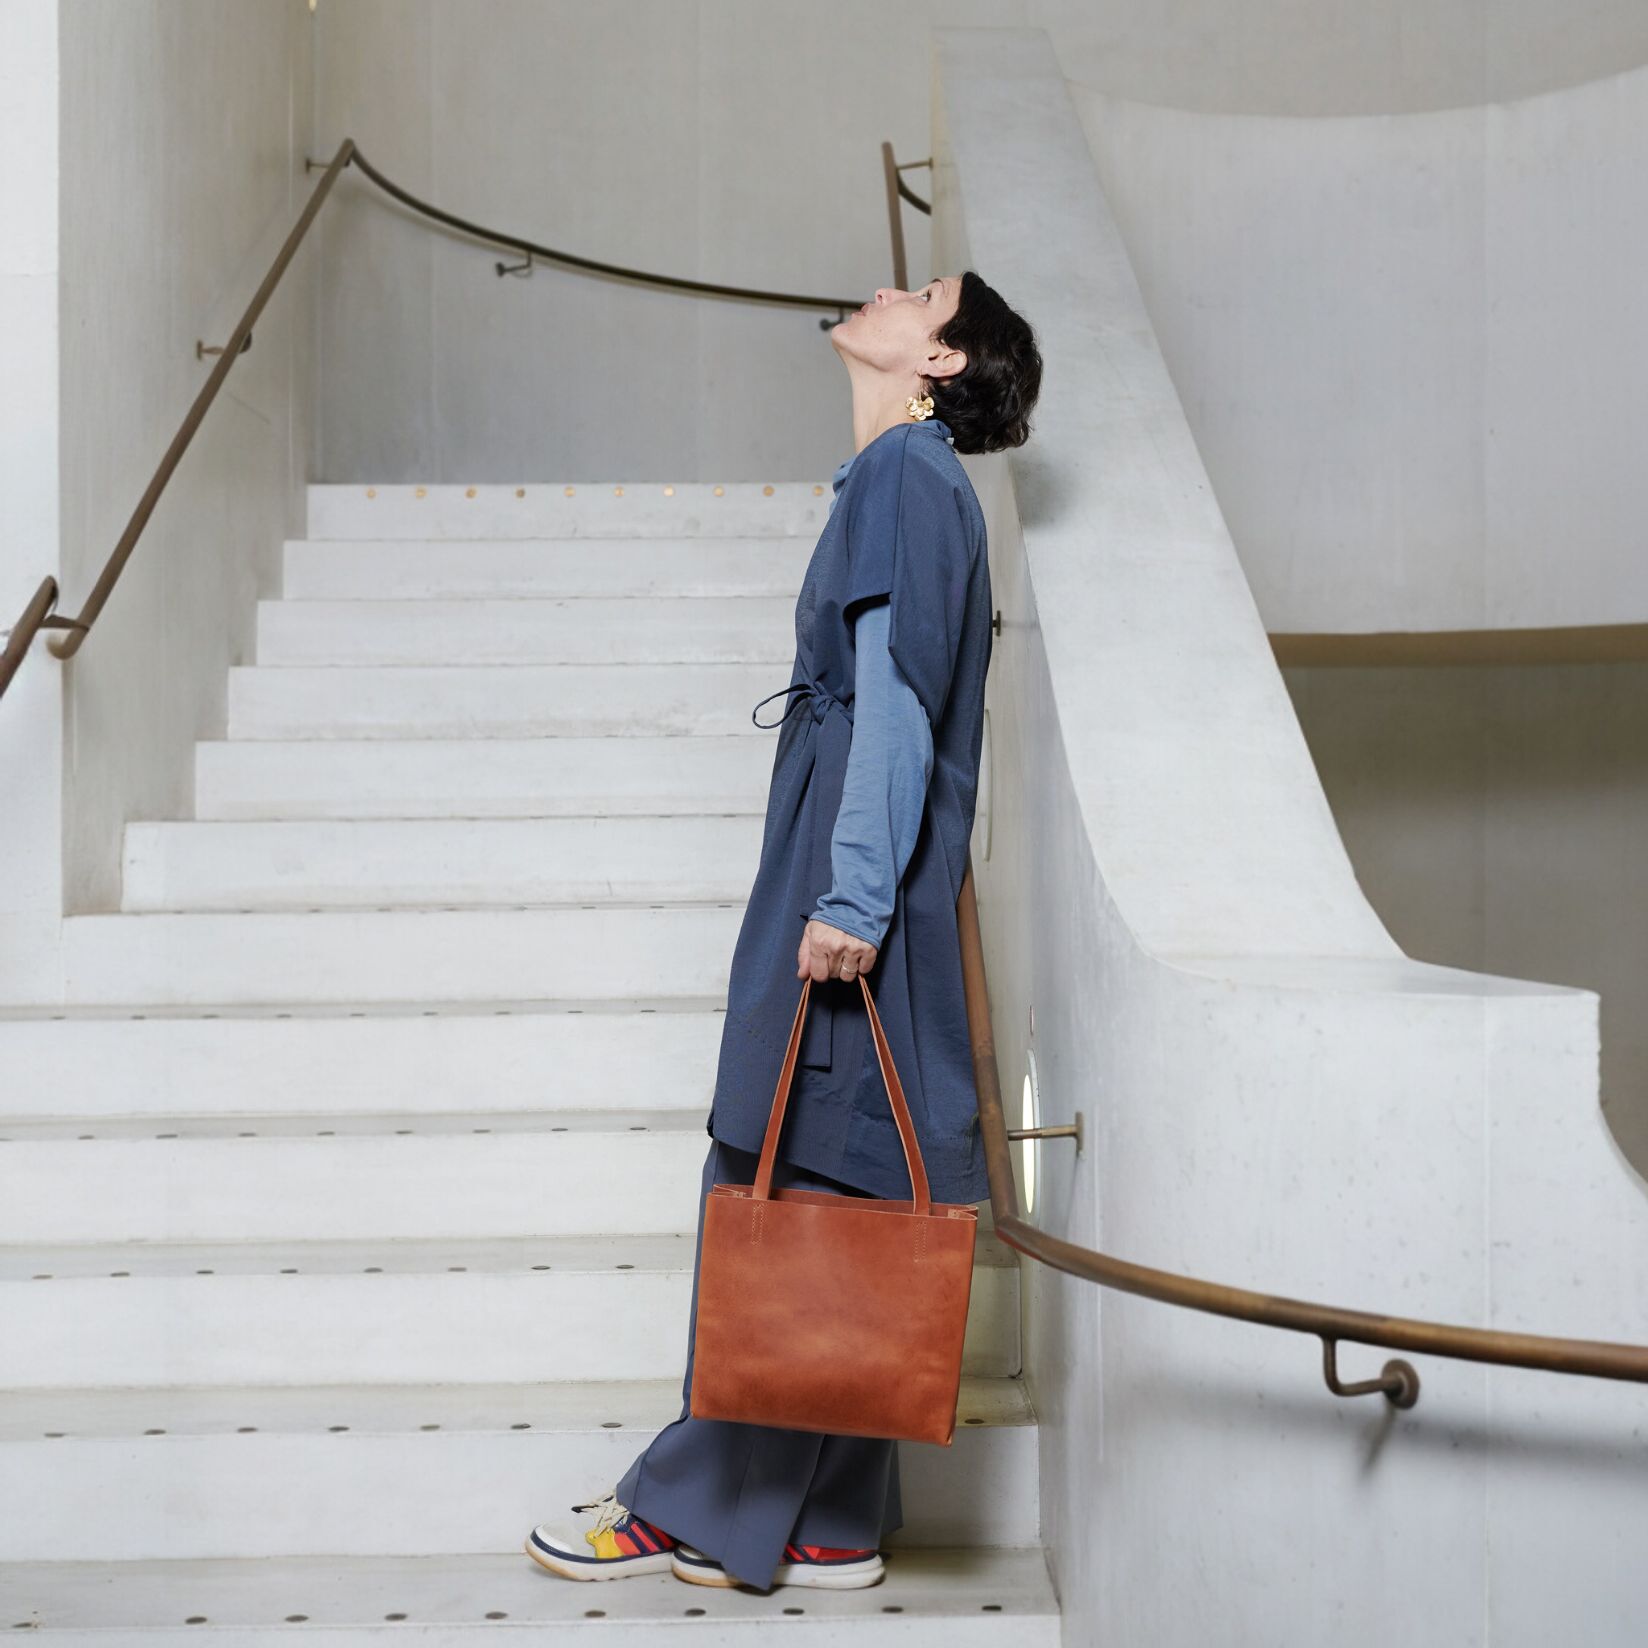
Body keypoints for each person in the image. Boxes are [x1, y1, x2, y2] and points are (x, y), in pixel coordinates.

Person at [526, 270, 1042, 1593]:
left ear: (939, 356)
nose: (884, 286)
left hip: (858, 872)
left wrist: (852, 901)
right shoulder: (916, 488)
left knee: (787, 1171)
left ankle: (690, 1505)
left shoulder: (901, 484)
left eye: (919, 289)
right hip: (872, 869)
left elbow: (897, 713)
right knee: (850, 1180)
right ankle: (833, 1521)